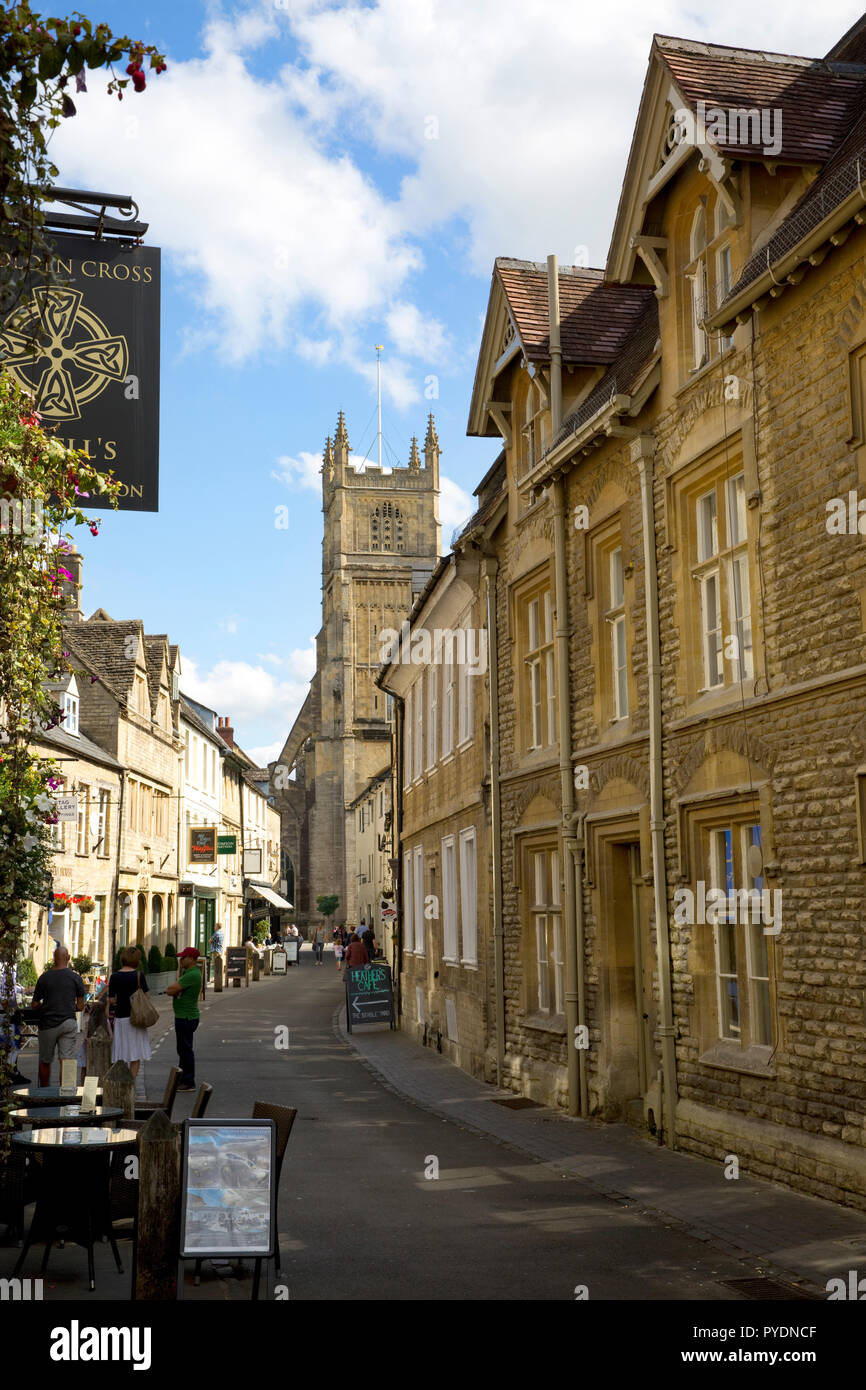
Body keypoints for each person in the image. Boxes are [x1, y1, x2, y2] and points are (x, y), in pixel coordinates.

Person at [31, 945, 86, 1087]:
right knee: (67, 1061)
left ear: (54, 959)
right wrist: (67, 1006)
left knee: (45, 1060)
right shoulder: (76, 978)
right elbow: (80, 1006)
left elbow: (35, 1004)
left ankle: (44, 1093)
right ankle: (66, 1095)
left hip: (47, 1023)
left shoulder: (44, 978)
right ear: (68, 958)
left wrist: (47, 1005)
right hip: (68, 1022)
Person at [106, 946, 152, 1080]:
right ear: (137, 960)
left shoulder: (114, 976)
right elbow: (147, 996)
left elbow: (111, 999)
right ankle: (131, 1084)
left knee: (121, 1054)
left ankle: (122, 1084)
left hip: (121, 1018)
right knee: (135, 1055)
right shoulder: (139, 975)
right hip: (136, 1018)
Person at [166, 947, 202, 1092]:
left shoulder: (192, 974)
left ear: (192, 959)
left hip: (186, 1017)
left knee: (185, 1050)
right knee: (183, 1049)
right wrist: (177, 991)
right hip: (185, 1016)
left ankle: (188, 1081)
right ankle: (182, 1079)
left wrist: (176, 991)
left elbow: (170, 990)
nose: (181, 960)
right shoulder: (189, 973)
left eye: (184, 957)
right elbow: (174, 990)